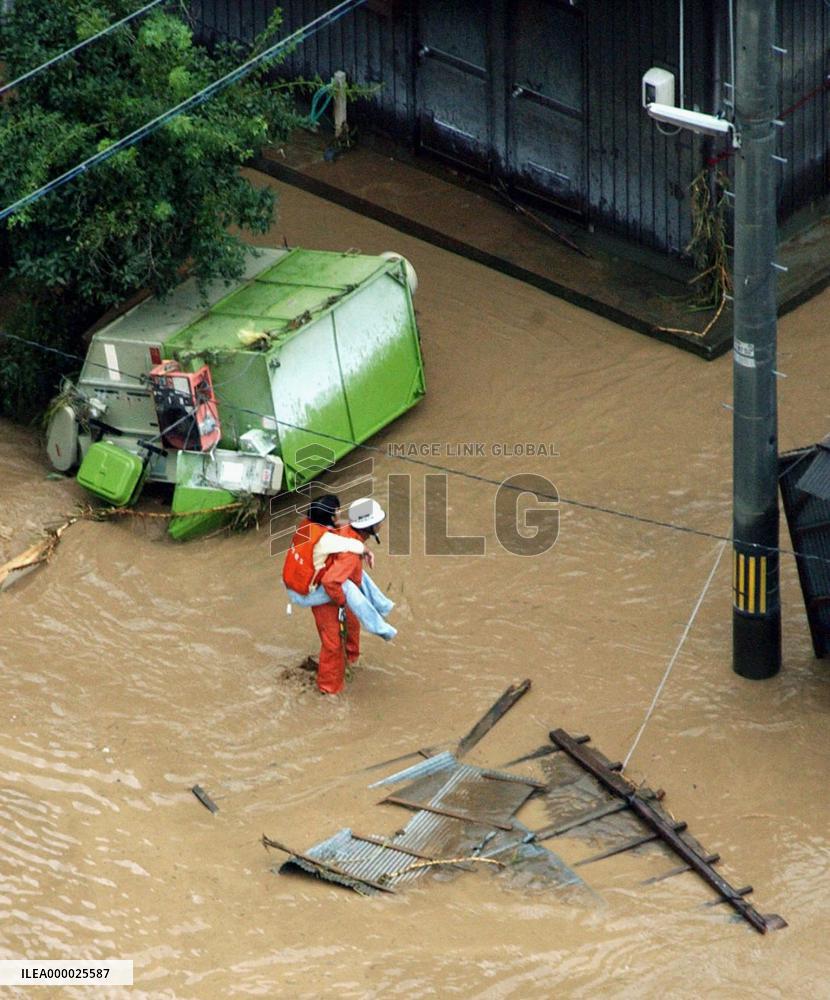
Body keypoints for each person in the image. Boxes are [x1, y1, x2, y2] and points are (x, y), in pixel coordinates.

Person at [311, 497, 388, 695]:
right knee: (333, 645)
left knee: (352, 627)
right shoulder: (350, 555)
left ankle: (350, 662)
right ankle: (328, 690)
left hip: (342, 592)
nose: (381, 524)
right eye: (378, 522)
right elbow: (330, 581)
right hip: (329, 599)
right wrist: (342, 603)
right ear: (369, 527)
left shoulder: (347, 532)